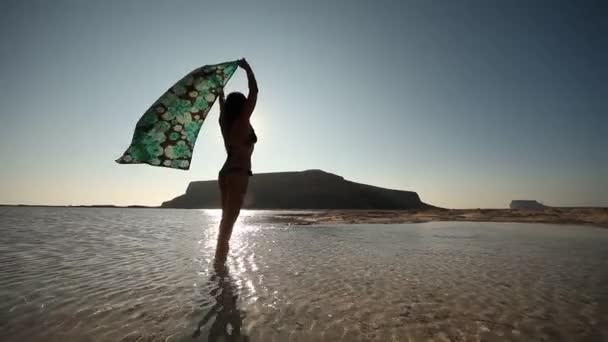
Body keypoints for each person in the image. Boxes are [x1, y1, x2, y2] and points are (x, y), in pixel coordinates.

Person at [215, 58, 258, 261]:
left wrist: (221, 95)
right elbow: (255, 93)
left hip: (225, 174)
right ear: (241, 107)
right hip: (238, 174)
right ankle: (221, 270)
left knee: (226, 221)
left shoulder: (225, 123)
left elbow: (222, 108)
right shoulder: (242, 121)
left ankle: (219, 272)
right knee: (229, 223)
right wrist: (247, 69)